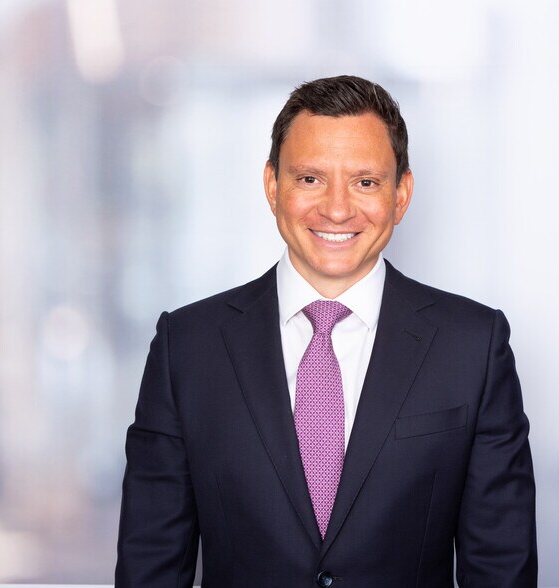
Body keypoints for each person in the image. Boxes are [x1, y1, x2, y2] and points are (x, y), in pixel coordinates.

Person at [115, 75, 536, 587]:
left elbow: (500, 568)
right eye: (311, 179)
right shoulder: (187, 347)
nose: (337, 209)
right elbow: (151, 566)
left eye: (365, 182)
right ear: (273, 186)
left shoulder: (472, 347)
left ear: (401, 194)